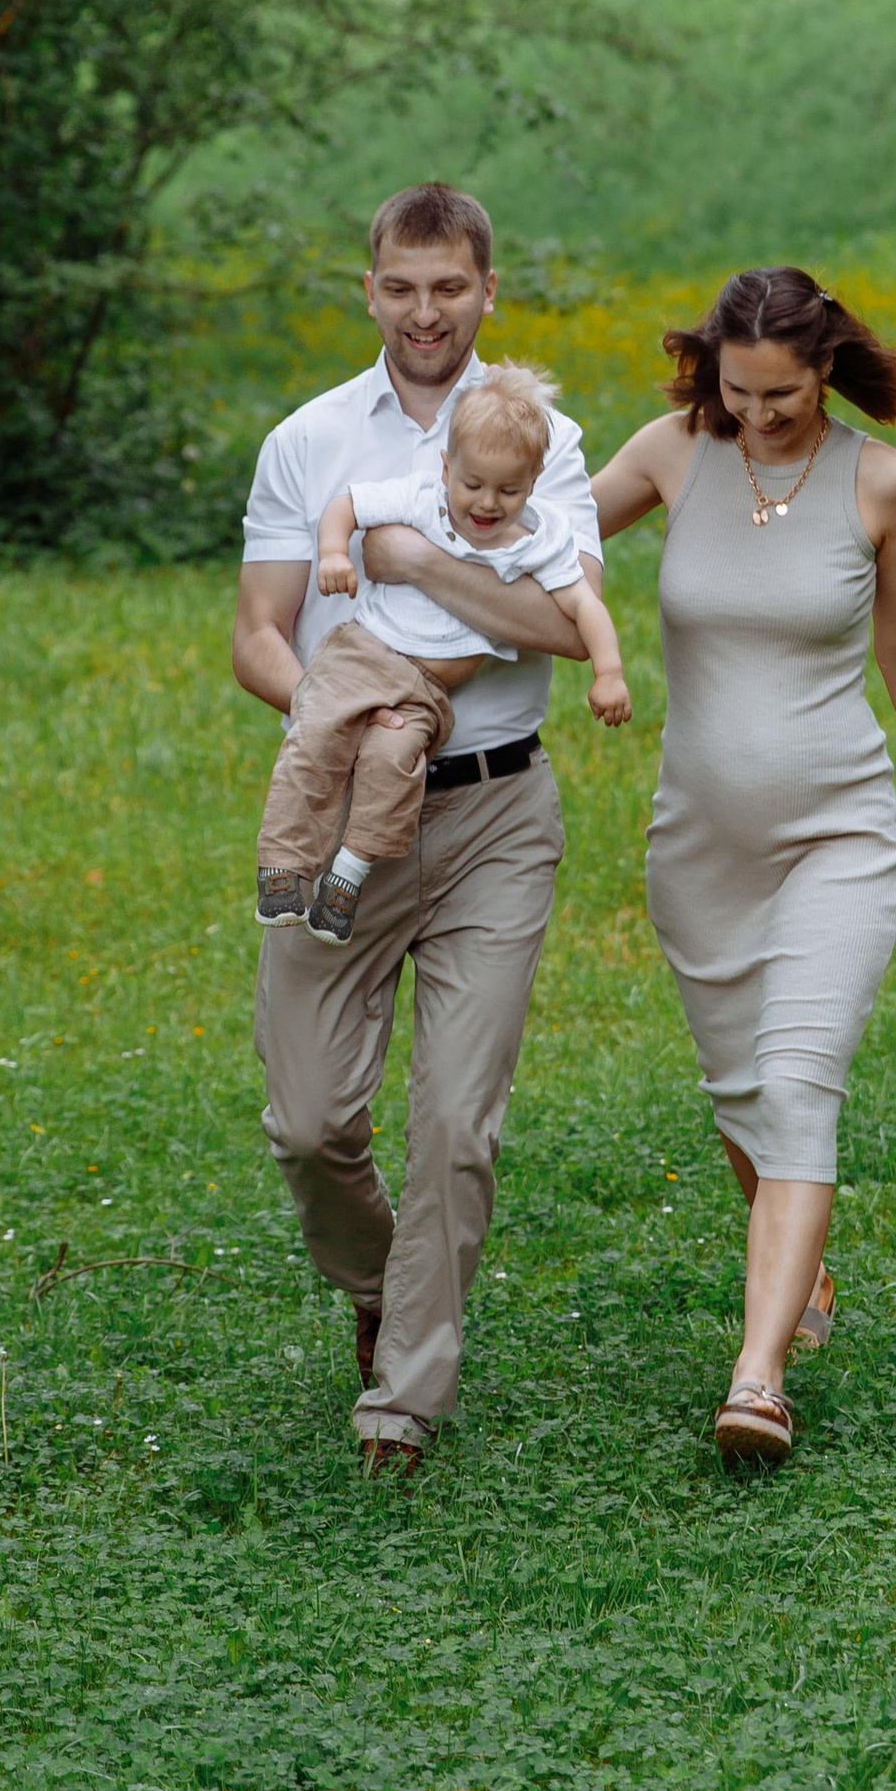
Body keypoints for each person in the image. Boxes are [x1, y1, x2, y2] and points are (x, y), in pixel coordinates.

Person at [233, 186, 608, 1475]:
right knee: (309, 1126)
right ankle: (377, 1288)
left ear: (487, 291)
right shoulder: (308, 442)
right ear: (369, 289)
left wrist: (409, 562)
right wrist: (357, 707)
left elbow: (570, 624)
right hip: (350, 803)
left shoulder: (539, 440)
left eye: (449, 287)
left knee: (455, 1123)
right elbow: (256, 639)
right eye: (401, 286)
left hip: (501, 810)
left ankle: (405, 1397)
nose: (424, 312)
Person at [591, 264, 896, 1466]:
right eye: (736, 392)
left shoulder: (881, 482)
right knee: (741, 1095)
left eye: (782, 397)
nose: (757, 417)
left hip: (836, 830)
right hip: (698, 841)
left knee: (799, 1086)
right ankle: (799, 1270)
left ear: (824, 372)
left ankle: (757, 1379)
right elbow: (533, 541)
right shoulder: (665, 453)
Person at [254, 362, 630, 944]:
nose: (487, 504)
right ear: (447, 468)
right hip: (364, 657)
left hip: (427, 693)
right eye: (473, 484)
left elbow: (584, 608)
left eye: (509, 490)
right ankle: (283, 867)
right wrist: (333, 552)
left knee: (392, 767)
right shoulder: (422, 500)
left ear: (533, 483)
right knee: (319, 737)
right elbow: (347, 505)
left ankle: (346, 880)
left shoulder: (539, 538)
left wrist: (609, 672)